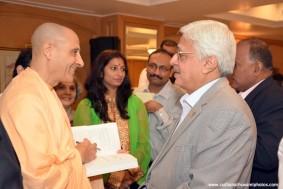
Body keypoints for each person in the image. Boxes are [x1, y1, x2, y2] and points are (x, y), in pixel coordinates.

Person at [140, 20, 257, 189]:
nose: (172, 60)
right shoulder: (196, 101)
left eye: (181, 54)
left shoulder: (229, 114)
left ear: (208, 64)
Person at [0, 22, 98, 188]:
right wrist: (79, 155)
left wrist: (71, 151)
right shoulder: (26, 98)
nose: (80, 62)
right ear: (49, 51)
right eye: (74, 52)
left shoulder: (44, 90)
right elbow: (39, 179)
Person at [74, 50, 151, 189]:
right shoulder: (86, 106)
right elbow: (84, 147)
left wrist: (128, 175)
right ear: (101, 72)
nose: (120, 73)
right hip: (99, 180)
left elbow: (143, 143)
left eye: (123, 69)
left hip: (133, 179)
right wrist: (114, 179)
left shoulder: (135, 103)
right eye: (113, 68)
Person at [230, 38, 283, 188]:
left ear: (256, 68)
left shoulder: (276, 99)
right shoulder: (241, 95)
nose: (230, 70)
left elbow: (266, 155)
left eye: (235, 65)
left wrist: (221, 140)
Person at [140, 48, 184, 161]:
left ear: (171, 72)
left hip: (163, 167)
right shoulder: (136, 95)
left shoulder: (181, 98)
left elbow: (177, 140)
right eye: (153, 66)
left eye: (163, 68)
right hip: (137, 167)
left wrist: (159, 110)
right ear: (146, 67)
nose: (156, 72)